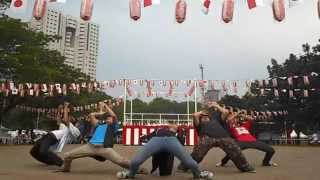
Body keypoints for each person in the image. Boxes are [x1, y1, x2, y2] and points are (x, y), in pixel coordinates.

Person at [60, 101, 148, 174]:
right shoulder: (99, 125)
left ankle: (139, 169)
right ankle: (66, 169)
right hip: (90, 146)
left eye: (110, 118)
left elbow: (113, 115)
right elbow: (91, 115)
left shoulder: (113, 126)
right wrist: (101, 112)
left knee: (121, 161)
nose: (108, 119)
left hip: (104, 148)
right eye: (107, 118)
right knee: (68, 155)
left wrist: (105, 106)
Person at [178, 101, 255, 173]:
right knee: (197, 154)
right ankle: (183, 167)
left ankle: (245, 167)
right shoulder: (199, 124)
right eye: (203, 117)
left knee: (235, 150)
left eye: (207, 116)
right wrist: (203, 111)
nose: (205, 118)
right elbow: (195, 115)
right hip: (207, 137)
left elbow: (226, 112)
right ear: (201, 119)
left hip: (222, 136)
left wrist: (216, 105)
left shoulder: (216, 118)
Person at [117, 125, 214, 180]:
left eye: (175, 126)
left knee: (190, 162)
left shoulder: (177, 134)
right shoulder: (158, 130)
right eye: (171, 125)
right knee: (135, 161)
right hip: (156, 140)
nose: (172, 125)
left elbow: (181, 145)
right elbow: (148, 137)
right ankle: (130, 174)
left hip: (172, 141)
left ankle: (198, 175)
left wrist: (181, 135)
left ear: (176, 129)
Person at [30, 102, 80, 167]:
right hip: (49, 136)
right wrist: (59, 110)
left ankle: (62, 163)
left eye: (71, 118)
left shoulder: (75, 130)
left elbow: (65, 119)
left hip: (53, 137)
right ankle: (50, 161)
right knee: (33, 151)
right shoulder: (64, 126)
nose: (70, 118)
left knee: (43, 151)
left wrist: (65, 107)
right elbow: (59, 121)